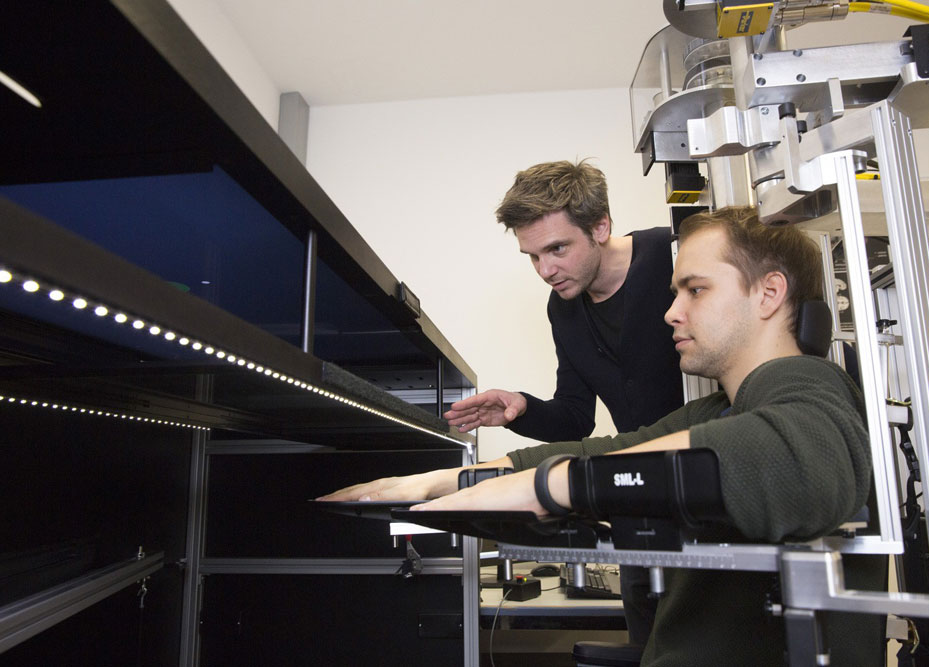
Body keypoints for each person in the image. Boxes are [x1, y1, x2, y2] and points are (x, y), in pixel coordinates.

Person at [322, 206, 883, 665]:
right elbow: (603, 447)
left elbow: (793, 459)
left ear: (768, 294)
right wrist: (446, 480)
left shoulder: (808, 386)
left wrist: (547, 488)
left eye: (694, 290)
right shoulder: (719, 406)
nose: (671, 313)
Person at [442, 159, 684, 444]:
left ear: (600, 227)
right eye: (533, 256)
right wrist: (521, 409)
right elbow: (575, 417)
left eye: (557, 249)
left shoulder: (674, 255)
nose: (545, 271)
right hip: (650, 474)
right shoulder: (562, 307)